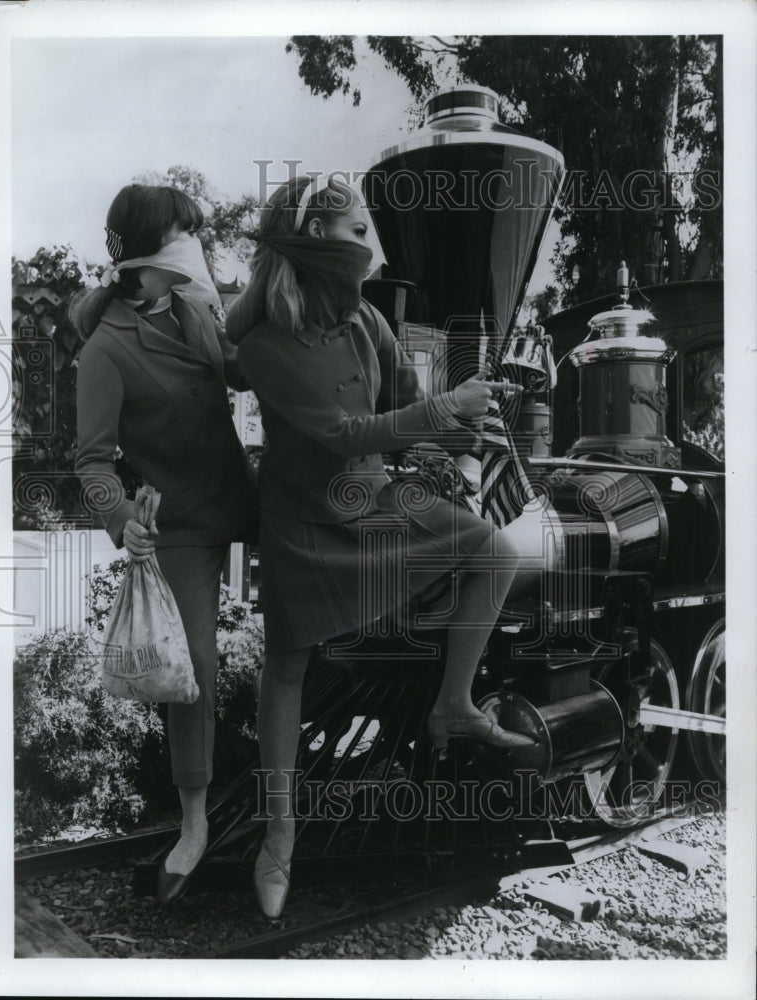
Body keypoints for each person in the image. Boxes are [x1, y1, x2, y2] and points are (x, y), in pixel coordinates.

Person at [226, 175, 533, 920]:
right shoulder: (262, 339)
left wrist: (474, 421)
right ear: (314, 242)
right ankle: (278, 840)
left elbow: (400, 406)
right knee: (287, 667)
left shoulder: (364, 318)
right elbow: (342, 434)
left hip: (374, 499)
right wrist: (439, 409)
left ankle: (452, 704)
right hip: (305, 517)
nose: (370, 244)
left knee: (494, 551)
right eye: (356, 230)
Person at [73, 183, 258, 904]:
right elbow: (91, 460)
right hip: (177, 524)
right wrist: (122, 517)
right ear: (150, 248)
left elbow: (241, 370)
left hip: (244, 497)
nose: (196, 243)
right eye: (185, 231)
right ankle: (192, 822)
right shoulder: (105, 350)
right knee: (194, 671)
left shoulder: (196, 309)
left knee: (334, 571)